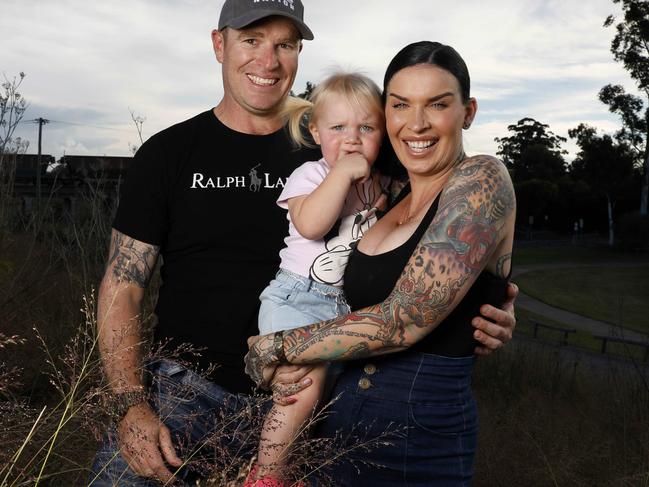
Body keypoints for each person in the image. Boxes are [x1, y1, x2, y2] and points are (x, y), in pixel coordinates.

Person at [88, 0, 518, 483]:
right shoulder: (169, 153)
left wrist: (483, 301)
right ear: (218, 44)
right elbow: (122, 286)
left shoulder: (344, 144)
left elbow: (430, 226)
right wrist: (129, 404)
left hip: (315, 408)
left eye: (285, 45)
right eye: (251, 40)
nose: (268, 61)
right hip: (185, 397)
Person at [245, 40, 516, 486]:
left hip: (413, 443)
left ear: (468, 112)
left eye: (438, 104)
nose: (417, 123)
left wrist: (273, 348)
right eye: (400, 105)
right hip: (337, 428)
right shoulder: (389, 197)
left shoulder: (481, 178)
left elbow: (402, 320)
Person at [252, 72, 389, 484]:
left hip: (341, 308)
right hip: (295, 299)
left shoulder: (383, 183)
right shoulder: (311, 175)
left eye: (366, 127)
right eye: (338, 127)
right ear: (315, 131)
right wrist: (343, 173)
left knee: (328, 403)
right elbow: (311, 225)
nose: (352, 138)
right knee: (303, 388)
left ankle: (292, 467)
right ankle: (265, 475)